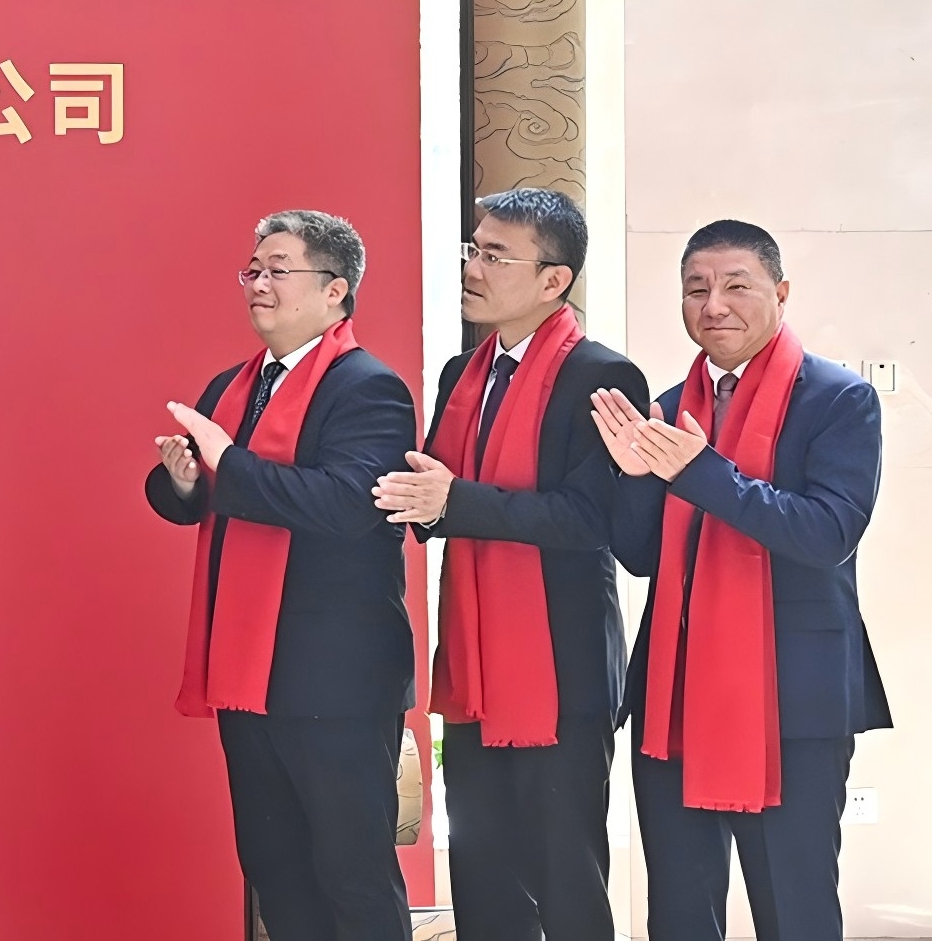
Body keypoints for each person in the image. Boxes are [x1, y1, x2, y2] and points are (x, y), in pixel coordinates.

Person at [591, 220, 888, 941]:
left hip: (793, 700)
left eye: (736, 286)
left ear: (781, 294)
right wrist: (634, 478)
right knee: (679, 913)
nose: (713, 305)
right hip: (676, 695)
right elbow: (640, 555)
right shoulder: (669, 407)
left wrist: (699, 471)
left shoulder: (839, 399)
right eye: (696, 289)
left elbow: (827, 535)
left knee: (794, 909)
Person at [370, 189, 643, 941]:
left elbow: (589, 519)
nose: (473, 268)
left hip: (560, 667)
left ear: (554, 280)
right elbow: (432, 493)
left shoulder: (602, 376)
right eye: (473, 249)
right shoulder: (464, 372)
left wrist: (454, 501)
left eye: (495, 256)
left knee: (565, 879)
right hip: (475, 664)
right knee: (483, 878)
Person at [146, 210, 416, 941]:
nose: (258, 284)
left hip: (336, 679)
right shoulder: (232, 386)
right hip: (248, 673)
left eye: (278, 270)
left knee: (353, 876)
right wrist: (184, 481)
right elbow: (194, 497)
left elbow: (345, 505)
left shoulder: (369, 388)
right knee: (276, 871)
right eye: (253, 270)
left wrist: (227, 463)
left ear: (335, 290)